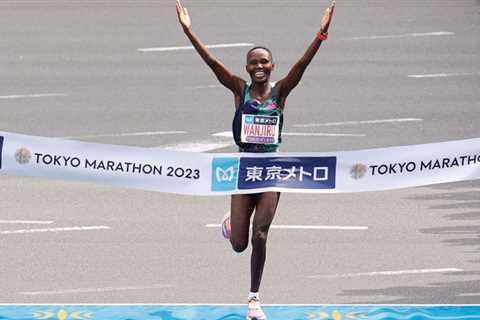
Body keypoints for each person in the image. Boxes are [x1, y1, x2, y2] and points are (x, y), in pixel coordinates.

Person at [175, 1, 335, 319]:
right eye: (253, 63)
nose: (259, 67)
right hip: (243, 169)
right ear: (247, 68)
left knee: (260, 235)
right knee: (239, 244)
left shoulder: (281, 92)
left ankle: (253, 299)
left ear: (272, 66)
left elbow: (303, 65)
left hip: (271, 170)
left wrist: (321, 33)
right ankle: (232, 223)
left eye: (264, 62)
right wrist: (188, 30)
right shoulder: (239, 89)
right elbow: (211, 62)